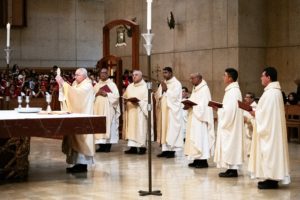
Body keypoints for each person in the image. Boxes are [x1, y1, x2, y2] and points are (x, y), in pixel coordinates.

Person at [248, 67, 290, 189]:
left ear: (268, 77)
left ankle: (272, 180)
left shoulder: (271, 93)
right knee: (271, 154)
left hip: (270, 131)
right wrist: (257, 112)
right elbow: (267, 112)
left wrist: (255, 113)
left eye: (262, 76)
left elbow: (267, 115)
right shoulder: (273, 92)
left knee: (270, 153)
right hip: (272, 130)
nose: (261, 78)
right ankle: (269, 178)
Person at [56, 68, 95, 173]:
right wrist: (62, 85)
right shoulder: (76, 84)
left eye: (77, 75)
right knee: (73, 139)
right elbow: (70, 94)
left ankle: (82, 165)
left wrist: (63, 83)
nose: (75, 77)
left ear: (84, 76)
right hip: (76, 116)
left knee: (81, 139)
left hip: (84, 118)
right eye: (75, 75)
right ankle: (76, 164)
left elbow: (77, 96)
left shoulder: (87, 85)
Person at [213, 68, 244, 177]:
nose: (223, 77)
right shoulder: (232, 90)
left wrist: (219, 110)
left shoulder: (233, 92)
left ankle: (233, 170)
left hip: (231, 125)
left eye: (224, 75)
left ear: (230, 78)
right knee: (231, 145)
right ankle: (230, 168)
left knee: (231, 145)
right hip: (232, 124)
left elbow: (229, 111)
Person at [183, 73, 215, 168]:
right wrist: (187, 105)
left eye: (192, 78)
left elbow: (204, 106)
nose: (191, 80)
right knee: (194, 138)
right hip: (194, 117)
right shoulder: (196, 88)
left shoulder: (204, 89)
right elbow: (194, 101)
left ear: (199, 78)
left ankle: (203, 161)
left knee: (200, 138)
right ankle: (196, 159)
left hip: (201, 119)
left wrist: (192, 105)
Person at [155, 66, 183, 158]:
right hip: (163, 111)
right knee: (164, 130)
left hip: (171, 111)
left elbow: (175, 97)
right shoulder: (163, 83)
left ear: (171, 73)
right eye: (163, 72)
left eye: (166, 72)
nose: (164, 74)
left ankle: (172, 151)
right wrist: (158, 94)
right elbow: (159, 95)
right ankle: (165, 150)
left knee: (170, 130)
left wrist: (166, 89)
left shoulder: (176, 83)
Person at [93, 68, 120, 153]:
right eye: (101, 73)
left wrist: (107, 94)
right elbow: (90, 96)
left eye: (104, 73)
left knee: (108, 126)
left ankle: (108, 146)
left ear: (107, 74)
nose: (103, 74)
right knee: (99, 126)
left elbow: (116, 97)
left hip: (108, 110)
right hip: (97, 110)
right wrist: (97, 93)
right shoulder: (97, 85)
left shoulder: (112, 84)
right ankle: (101, 146)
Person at [122, 70, 148, 155]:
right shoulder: (130, 86)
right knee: (131, 129)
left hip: (140, 112)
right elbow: (125, 96)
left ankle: (142, 147)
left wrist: (139, 102)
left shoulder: (145, 86)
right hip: (131, 111)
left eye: (136, 75)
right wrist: (125, 100)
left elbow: (148, 101)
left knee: (140, 129)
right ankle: (132, 147)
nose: (134, 76)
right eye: (133, 75)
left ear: (141, 76)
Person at [243, 92, 257, 158]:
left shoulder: (255, 107)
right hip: (245, 126)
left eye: (247, 97)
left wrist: (248, 121)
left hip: (250, 128)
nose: (245, 99)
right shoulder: (245, 106)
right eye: (245, 97)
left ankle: (250, 152)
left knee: (249, 139)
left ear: (252, 99)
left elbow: (256, 119)